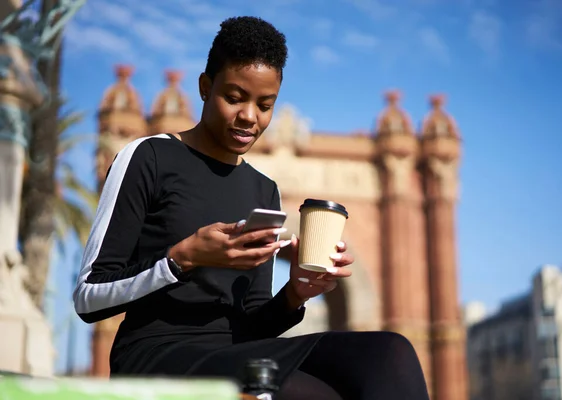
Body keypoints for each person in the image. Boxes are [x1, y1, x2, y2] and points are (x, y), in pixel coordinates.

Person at [73, 16, 430, 400]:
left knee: (389, 352)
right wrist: (181, 258)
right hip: (156, 356)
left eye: (265, 105)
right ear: (205, 88)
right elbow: (89, 296)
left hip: (237, 353)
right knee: (311, 394)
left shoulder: (264, 190)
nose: (249, 117)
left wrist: (296, 292)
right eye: (235, 97)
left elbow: (255, 320)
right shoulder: (149, 156)